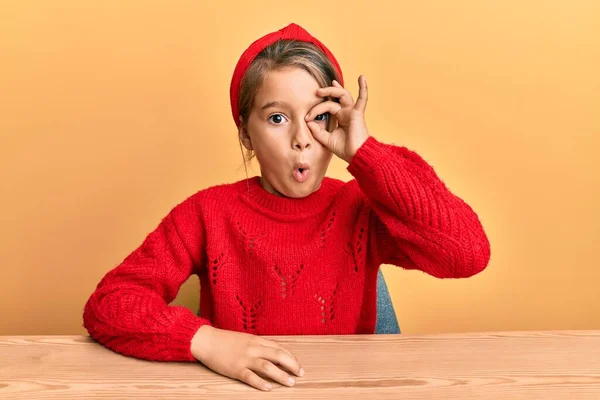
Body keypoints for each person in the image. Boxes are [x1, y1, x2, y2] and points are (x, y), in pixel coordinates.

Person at [83, 22, 491, 392]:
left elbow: (467, 253)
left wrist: (366, 152)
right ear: (246, 133)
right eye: (278, 118)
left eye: (318, 117)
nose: (302, 138)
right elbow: (109, 304)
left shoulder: (360, 207)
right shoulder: (205, 213)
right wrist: (205, 341)